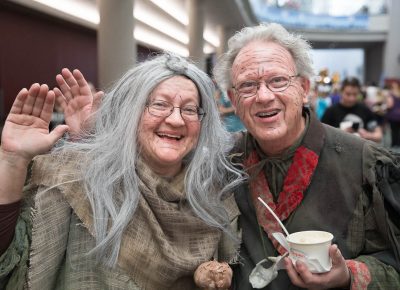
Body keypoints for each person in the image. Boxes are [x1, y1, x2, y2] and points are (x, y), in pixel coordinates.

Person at [0, 53, 243, 290]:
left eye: (190, 109)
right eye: (160, 105)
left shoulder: (214, 192)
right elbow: (14, 261)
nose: (177, 120)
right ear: (131, 113)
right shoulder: (79, 180)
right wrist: (13, 160)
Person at [213, 23, 400, 289]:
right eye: (247, 86)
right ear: (233, 99)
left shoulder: (366, 163)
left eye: (277, 80)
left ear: (303, 88)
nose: (264, 96)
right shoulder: (222, 164)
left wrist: (348, 275)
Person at [321, 77, 383, 143]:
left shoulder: (365, 110)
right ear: (341, 92)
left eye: (355, 94)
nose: (351, 98)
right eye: (348, 94)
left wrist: (367, 135)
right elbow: (321, 136)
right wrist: (340, 134)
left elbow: (379, 136)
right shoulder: (331, 111)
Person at [386, 81, 400, 147]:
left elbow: (390, 105)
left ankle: (394, 144)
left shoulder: (390, 94)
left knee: (393, 131)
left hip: (393, 115)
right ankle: (398, 143)